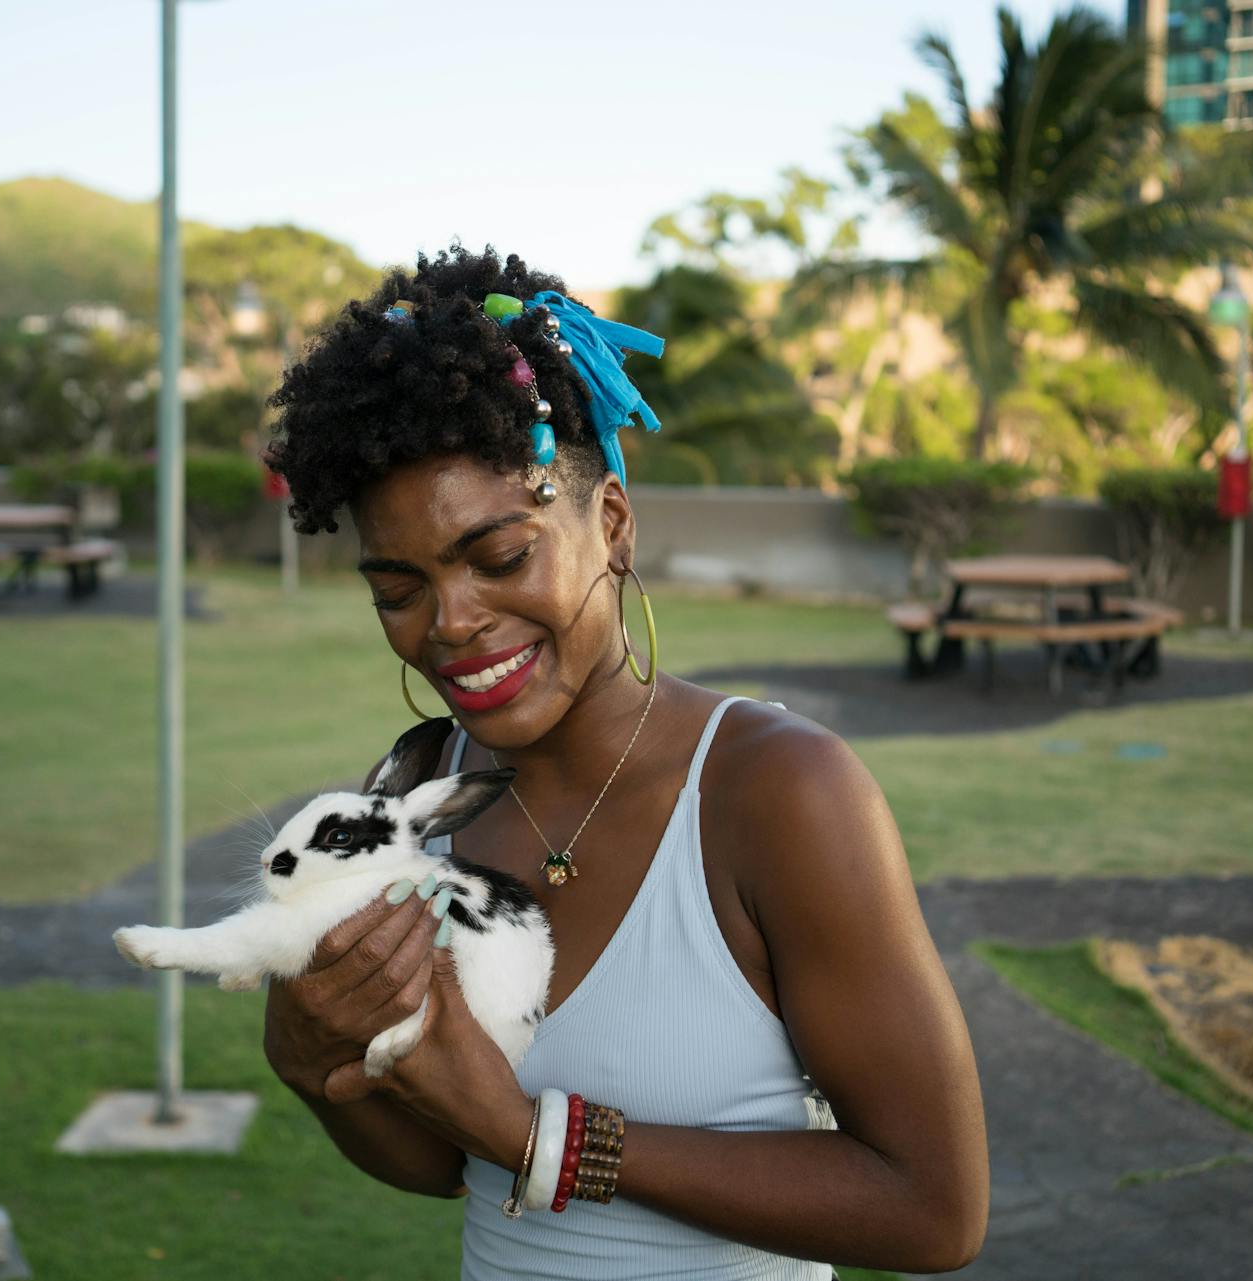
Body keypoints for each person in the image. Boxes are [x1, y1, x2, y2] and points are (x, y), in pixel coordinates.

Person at [257, 242, 987, 1278]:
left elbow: (933, 1210)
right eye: (397, 589)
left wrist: (545, 1141)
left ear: (610, 524)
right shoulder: (420, 804)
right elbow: (436, 1160)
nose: (452, 623)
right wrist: (303, 1050)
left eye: (501, 557)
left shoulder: (777, 792)